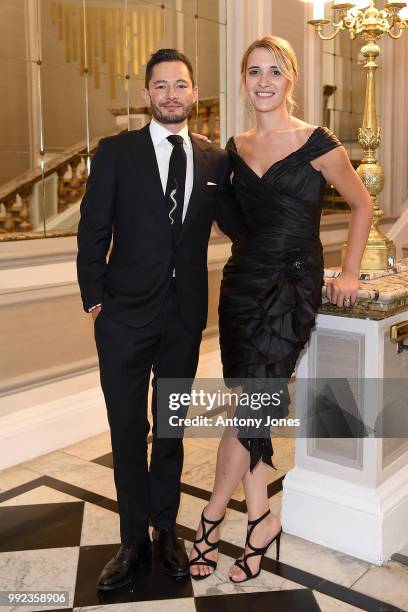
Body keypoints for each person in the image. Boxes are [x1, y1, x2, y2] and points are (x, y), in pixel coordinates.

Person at [188, 35, 373, 583]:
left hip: (291, 289)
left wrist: (349, 271)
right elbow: (229, 218)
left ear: (290, 78)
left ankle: (211, 518)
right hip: (242, 285)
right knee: (253, 407)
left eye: (273, 71)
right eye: (252, 72)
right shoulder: (234, 147)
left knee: (251, 407)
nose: (263, 81)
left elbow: (363, 204)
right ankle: (262, 518)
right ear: (243, 82)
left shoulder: (319, 143)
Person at [76, 48, 242, 590]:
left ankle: (166, 529)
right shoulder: (115, 153)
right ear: (147, 94)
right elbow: (92, 233)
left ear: (194, 93)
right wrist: (96, 300)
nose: (172, 94)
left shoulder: (215, 160)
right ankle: (131, 540)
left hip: (182, 319)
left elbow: (242, 224)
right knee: (128, 429)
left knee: (170, 429)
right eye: (161, 86)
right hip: (123, 318)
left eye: (182, 85)